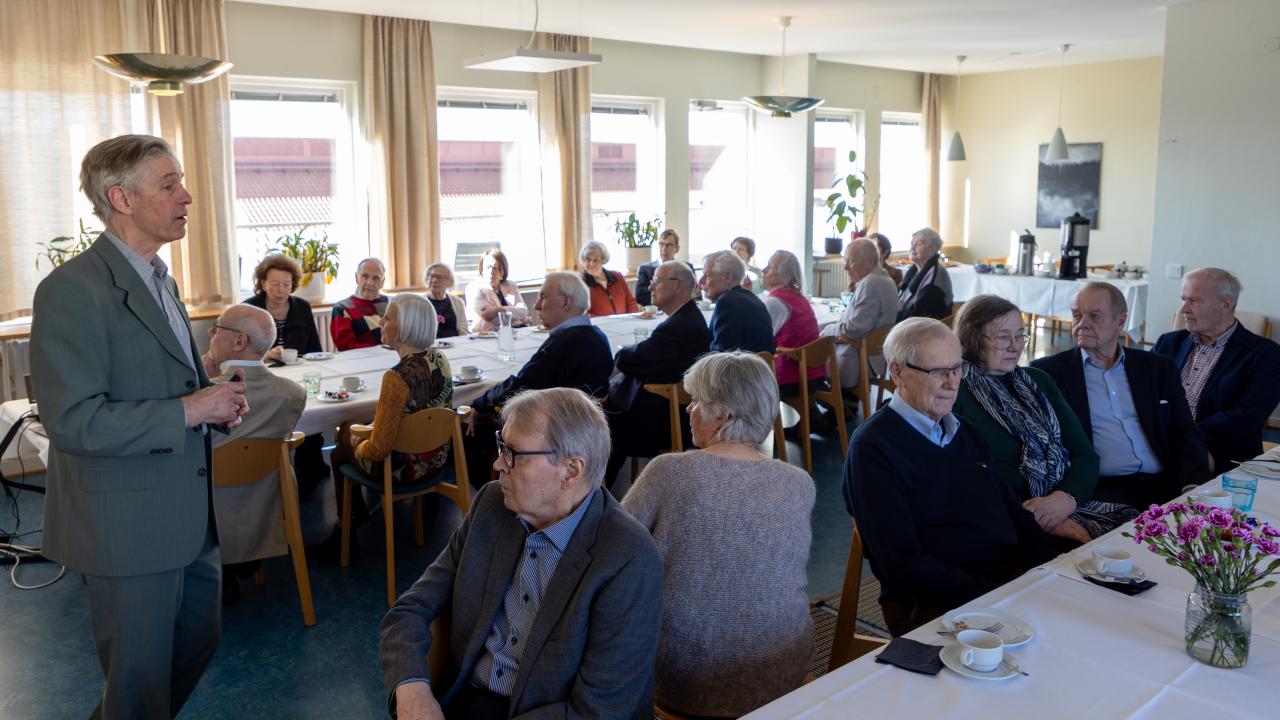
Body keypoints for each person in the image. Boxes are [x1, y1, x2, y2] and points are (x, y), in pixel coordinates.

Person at [30, 134, 248, 717]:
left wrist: (213, 401)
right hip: (124, 522)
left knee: (195, 646)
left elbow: (172, 384)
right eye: (169, 184)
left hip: (188, 512)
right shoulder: (69, 291)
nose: (188, 195)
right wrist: (191, 410)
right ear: (122, 199)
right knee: (137, 681)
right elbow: (75, 422)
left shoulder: (162, 280)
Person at [380, 387, 663, 720]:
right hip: (463, 698)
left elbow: (598, 711)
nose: (498, 463)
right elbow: (409, 610)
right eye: (502, 445)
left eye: (513, 453)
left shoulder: (627, 557)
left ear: (570, 470)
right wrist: (413, 689)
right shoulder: (491, 507)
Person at [623, 352, 814, 717]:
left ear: (722, 413)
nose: (689, 409)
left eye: (696, 401)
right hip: (782, 666)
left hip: (688, 677)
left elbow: (615, 549)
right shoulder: (798, 483)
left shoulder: (669, 472)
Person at [842, 318, 1057, 636]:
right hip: (938, 605)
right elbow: (902, 564)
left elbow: (1011, 508)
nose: (952, 383)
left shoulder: (963, 430)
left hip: (1003, 584)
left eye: (957, 369)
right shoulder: (873, 449)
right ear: (897, 371)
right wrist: (991, 595)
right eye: (937, 371)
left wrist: (1048, 568)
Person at [951, 295, 1121, 545]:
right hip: (1002, 520)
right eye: (1003, 337)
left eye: (1020, 335)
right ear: (973, 339)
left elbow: (1085, 455)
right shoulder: (954, 391)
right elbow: (962, 480)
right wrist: (1036, 517)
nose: (1015, 346)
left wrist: (1064, 500)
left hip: (1066, 505)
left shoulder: (1037, 381)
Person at [1032, 283, 1210, 508]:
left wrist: (1192, 486)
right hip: (1100, 491)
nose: (1082, 324)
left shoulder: (1156, 368)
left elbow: (1185, 430)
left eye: (1094, 316)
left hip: (1168, 485)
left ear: (1121, 321)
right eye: (1077, 315)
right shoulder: (1049, 373)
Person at [464, 273, 615, 486]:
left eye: (542, 297)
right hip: (588, 434)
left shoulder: (563, 344)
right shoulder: (598, 336)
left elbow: (519, 387)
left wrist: (479, 404)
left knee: (472, 430)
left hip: (556, 438)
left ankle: (495, 504)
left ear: (565, 301)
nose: (536, 305)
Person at [201, 305, 309, 603]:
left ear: (238, 341)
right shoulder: (292, 393)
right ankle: (245, 559)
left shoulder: (204, 395)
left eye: (217, 327)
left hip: (208, 505)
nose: (210, 333)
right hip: (262, 505)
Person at [330, 294, 453, 512]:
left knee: (343, 437)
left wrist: (356, 441)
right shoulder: (440, 358)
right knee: (356, 432)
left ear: (405, 327)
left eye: (387, 318)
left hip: (401, 471)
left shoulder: (396, 377)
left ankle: (347, 526)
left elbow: (378, 450)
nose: (380, 323)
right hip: (434, 461)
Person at [1153, 268, 1280, 473]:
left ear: (1226, 304)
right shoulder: (1168, 342)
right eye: (1183, 299)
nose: (1183, 309)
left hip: (1221, 454)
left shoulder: (1265, 354)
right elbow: (1142, 393)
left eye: (1194, 301)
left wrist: (1182, 436)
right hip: (1158, 445)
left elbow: (1245, 418)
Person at [605, 261, 711, 485]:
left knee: (598, 424)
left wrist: (623, 353)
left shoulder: (678, 326)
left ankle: (595, 495)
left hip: (665, 419)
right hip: (672, 409)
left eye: (657, 281)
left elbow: (630, 360)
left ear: (678, 285)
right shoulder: (686, 318)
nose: (650, 287)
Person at [822, 238, 899, 392]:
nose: (845, 267)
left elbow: (853, 329)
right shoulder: (883, 278)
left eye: (849, 261)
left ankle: (830, 403)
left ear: (869, 261)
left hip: (861, 356)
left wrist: (827, 330)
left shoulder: (870, 283)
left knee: (808, 354)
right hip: (874, 354)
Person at [761, 249, 823, 395]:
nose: (763, 270)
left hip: (791, 378)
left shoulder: (774, 302)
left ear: (783, 275)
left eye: (769, 267)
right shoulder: (800, 299)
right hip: (813, 374)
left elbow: (762, 342)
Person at [243, 253, 322, 362]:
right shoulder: (249, 309)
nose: (281, 290)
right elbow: (239, 354)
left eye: (286, 284)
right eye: (275, 284)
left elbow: (315, 350)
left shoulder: (302, 307)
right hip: (263, 372)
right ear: (263, 284)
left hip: (299, 369)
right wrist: (268, 355)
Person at [701, 250, 775, 354]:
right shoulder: (753, 298)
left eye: (707, 275)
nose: (701, 281)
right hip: (758, 368)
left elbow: (721, 356)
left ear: (727, 277)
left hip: (740, 369)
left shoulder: (727, 302)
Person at [465, 248, 530, 334]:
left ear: (503, 270)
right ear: (482, 270)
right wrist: (516, 315)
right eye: (488, 267)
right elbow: (492, 319)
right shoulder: (474, 288)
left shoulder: (511, 285)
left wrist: (499, 309)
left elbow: (524, 311)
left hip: (516, 331)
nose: (491, 272)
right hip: (486, 335)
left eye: (495, 268)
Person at [332, 257, 389, 350]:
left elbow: (401, 338)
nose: (370, 283)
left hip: (393, 359)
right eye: (365, 276)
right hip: (359, 362)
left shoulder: (391, 304)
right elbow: (346, 346)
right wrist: (382, 350)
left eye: (376, 278)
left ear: (382, 282)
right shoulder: (342, 308)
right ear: (356, 278)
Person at [896, 227, 953, 321]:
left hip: (926, 330)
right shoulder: (914, 270)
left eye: (918, 243)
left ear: (932, 249)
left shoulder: (937, 275)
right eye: (912, 244)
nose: (912, 248)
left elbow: (920, 313)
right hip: (907, 324)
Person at [578, 240, 639, 316]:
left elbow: (631, 302)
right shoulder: (580, 282)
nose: (591, 264)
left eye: (596, 260)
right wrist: (605, 321)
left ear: (603, 260)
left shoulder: (617, 276)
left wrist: (631, 318)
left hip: (624, 323)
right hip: (597, 325)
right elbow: (580, 311)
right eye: (588, 259)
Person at [635, 229, 692, 306]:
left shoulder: (686, 268)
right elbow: (641, 298)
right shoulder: (646, 270)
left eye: (668, 245)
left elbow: (695, 294)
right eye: (661, 244)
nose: (664, 249)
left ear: (676, 248)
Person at [423, 262, 468, 338]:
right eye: (432, 276)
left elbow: (463, 330)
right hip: (431, 347)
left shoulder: (458, 302)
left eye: (439, 277)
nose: (434, 280)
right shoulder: (420, 303)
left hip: (455, 344)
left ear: (449, 282)